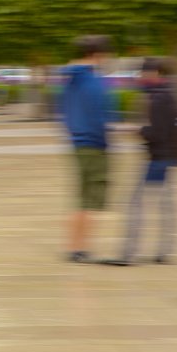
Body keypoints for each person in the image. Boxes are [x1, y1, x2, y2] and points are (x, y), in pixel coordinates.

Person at [103, 57, 177, 266]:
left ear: (157, 74)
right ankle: (164, 250)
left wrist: (136, 130)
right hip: (164, 156)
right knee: (164, 204)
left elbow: (158, 132)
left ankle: (129, 254)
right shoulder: (163, 95)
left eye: (146, 73)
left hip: (158, 157)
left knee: (135, 202)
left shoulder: (160, 98)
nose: (143, 76)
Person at [60, 35, 114, 263]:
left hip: (77, 143)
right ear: (98, 55)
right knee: (87, 201)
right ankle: (79, 249)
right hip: (93, 144)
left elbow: (63, 112)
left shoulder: (71, 79)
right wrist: (104, 143)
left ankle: (76, 247)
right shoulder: (93, 81)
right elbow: (99, 117)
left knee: (82, 199)